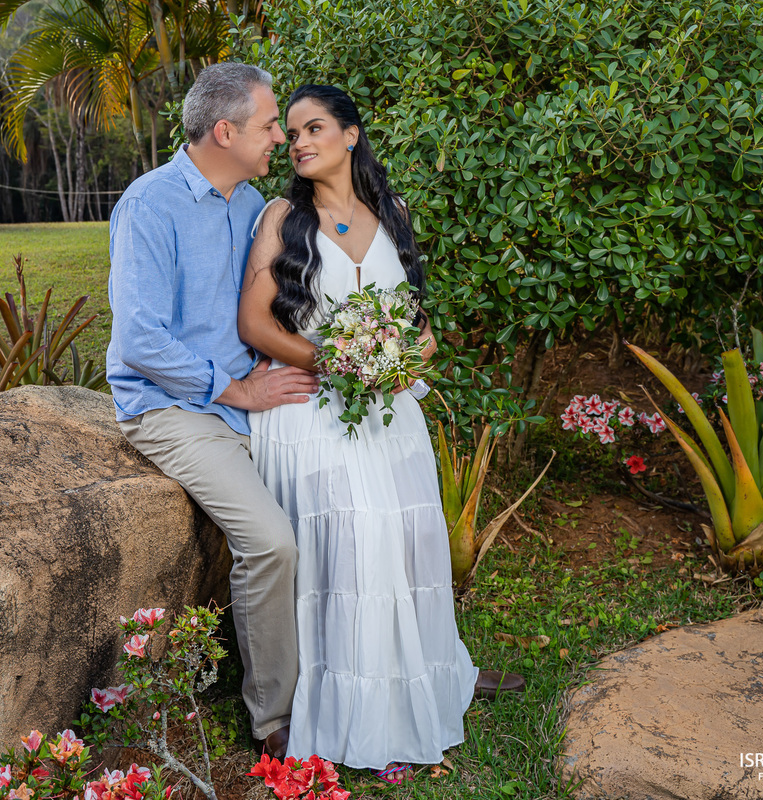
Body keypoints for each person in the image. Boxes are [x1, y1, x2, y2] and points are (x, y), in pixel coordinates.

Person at [238, 84, 524, 781]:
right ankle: (347, 706)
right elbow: (254, 324)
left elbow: (419, 326)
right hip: (309, 406)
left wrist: (410, 359)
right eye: (294, 132)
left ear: (352, 135)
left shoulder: (392, 212)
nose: (301, 142)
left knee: (406, 538)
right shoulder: (283, 217)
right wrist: (336, 362)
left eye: (315, 128)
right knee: (358, 535)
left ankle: (432, 676)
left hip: (389, 410)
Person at [106, 62, 319, 759]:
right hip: (173, 408)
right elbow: (140, 341)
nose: (278, 141)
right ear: (224, 131)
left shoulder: (249, 203)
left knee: (336, 501)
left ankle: (372, 673)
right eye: (267, 127)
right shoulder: (150, 204)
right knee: (272, 541)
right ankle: (274, 722)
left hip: (243, 396)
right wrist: (237, 391)